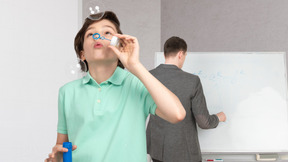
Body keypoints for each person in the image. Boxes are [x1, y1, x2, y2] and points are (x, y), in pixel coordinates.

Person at [44, 12, 186, 162]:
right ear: (82, 54)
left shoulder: (136, 84)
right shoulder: (67, 92)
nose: (98, 36)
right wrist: (57, 158)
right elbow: (62, 147)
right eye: (91, 34)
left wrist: (135, 65)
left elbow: (177, 114)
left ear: (119, 46)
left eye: (107, 32)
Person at [146, 36, 226, 162]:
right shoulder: (192, 81)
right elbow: (204, 122)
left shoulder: (148, 76)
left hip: (158, 152)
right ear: (180, 54)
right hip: (185, 154)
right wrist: (218, 118)